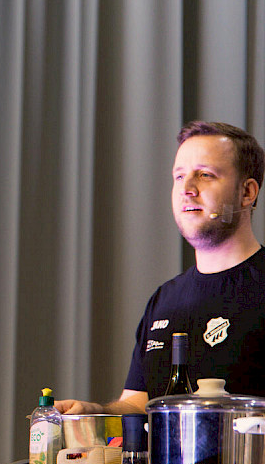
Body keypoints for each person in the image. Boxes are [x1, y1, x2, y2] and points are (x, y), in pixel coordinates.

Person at [59, 121, 265, 415]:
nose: (187, 189)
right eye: (179, 176)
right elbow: (139, 403)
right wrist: (92, 413)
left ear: (247, 192)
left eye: (205, 175)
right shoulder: (165, 300)